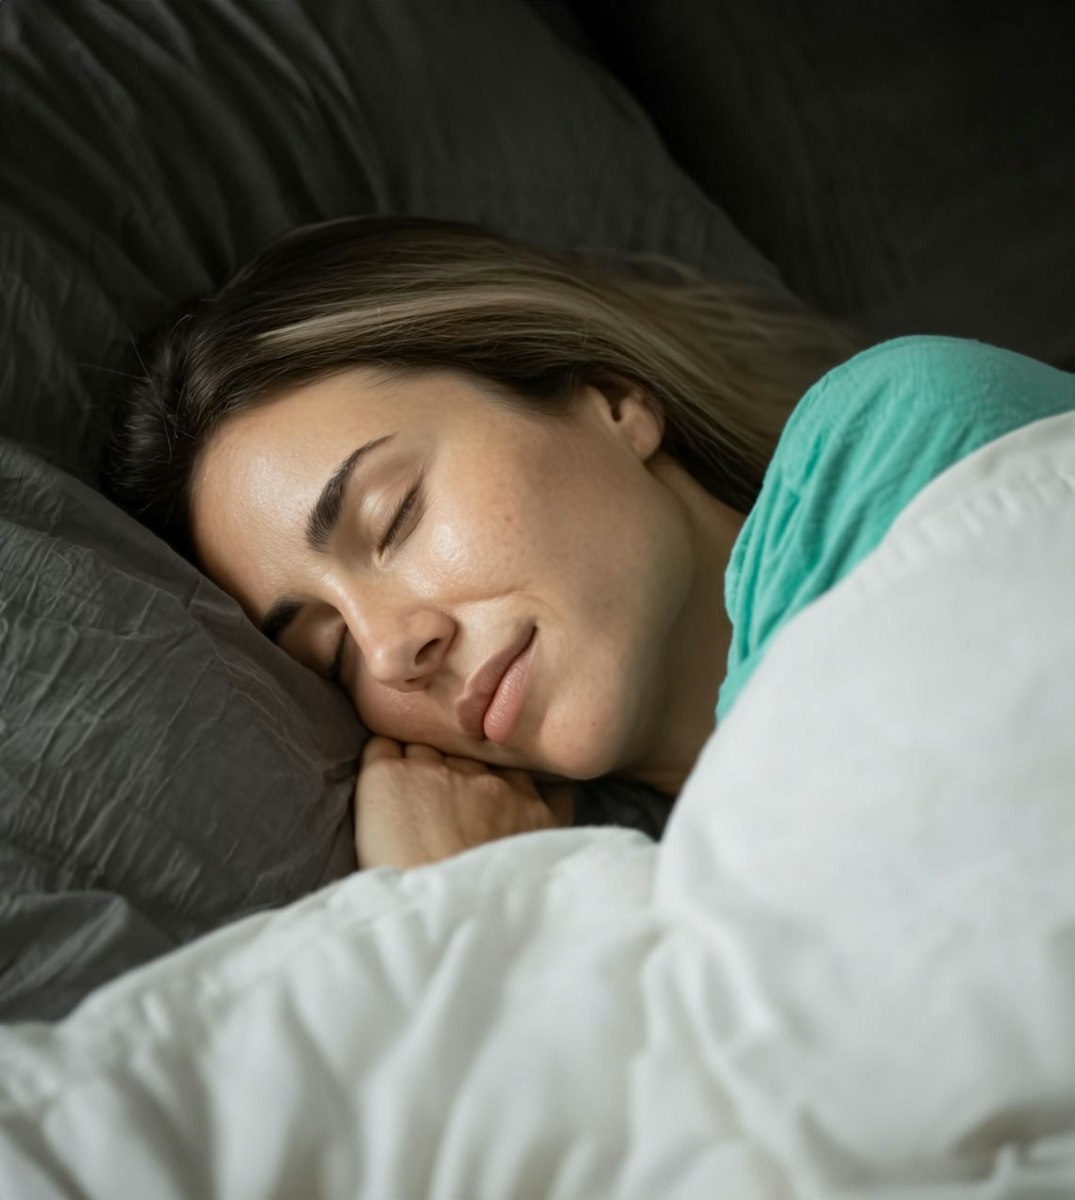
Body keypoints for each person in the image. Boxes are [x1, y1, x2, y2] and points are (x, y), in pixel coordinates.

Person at [106, 215, 1075, 870]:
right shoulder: (635, 877)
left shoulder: (907, 430)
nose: (392, 652)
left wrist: (482, 910)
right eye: (330, 651)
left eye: (394, 516)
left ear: (611, 401)